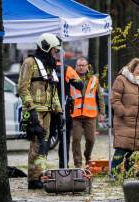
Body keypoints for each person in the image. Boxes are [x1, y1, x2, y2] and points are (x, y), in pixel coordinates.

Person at [18, 33, 64, 189]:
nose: (55, 53)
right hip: (35, 111)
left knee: (44, 145)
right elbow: (22, 88)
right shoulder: (29, 63)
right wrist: (30, 109)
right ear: (46, 48)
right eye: (53, 50)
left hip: (48, 111)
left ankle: (40, 174)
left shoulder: (49, 66)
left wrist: (59, 111)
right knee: (37, 144)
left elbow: (53, 91)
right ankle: (33, 179)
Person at [110, 58, 139, 174]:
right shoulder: (121, 79)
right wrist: (123, 112)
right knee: (121, 149)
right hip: (124, 121)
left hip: (138, 122)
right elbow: (115, 99)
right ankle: (113, 173)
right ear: (132, 68)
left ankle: (129, 173)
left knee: (133, 150)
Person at [70, 57, 105, 169]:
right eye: (79, 65)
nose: (81, 67)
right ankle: (78, 163)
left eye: (83, 65)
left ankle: (87, 156)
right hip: (76, 115)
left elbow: (99, 97)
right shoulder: (71, 78)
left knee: (91, 139)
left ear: (87, 66)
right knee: (76, 139)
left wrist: (102, 112)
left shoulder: (94, 79)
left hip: (90, 115)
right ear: (76, 66)